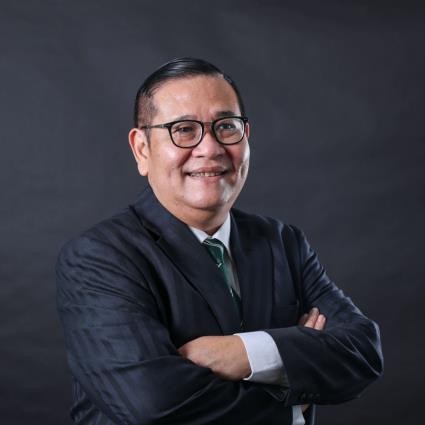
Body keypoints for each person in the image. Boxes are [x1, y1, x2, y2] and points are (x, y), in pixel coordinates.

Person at [56, 57, 383, 425]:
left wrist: (241, 353)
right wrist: (293, 396)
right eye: (183, 129)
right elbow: (153, 404)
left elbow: (364, 352)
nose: (210, 149)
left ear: (246, 136)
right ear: (142, 149)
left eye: (226, 127)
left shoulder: (282, 242)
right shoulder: (99, 258)